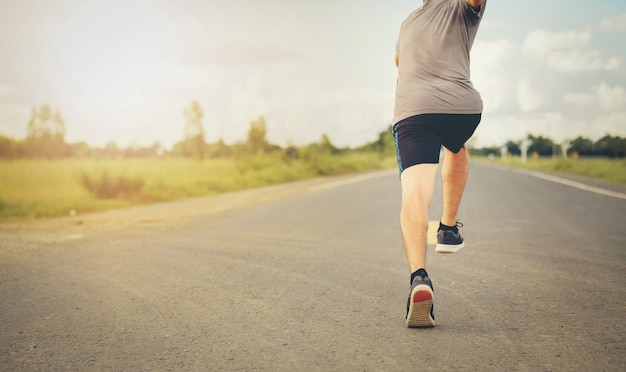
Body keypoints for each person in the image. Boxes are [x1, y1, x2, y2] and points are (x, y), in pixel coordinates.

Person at [392, 0, 486, 327]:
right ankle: (447, 229)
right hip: (462, 108)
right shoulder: (463, 7)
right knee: (456, 147)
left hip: (414, 110)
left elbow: (398, 60)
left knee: (415, 194)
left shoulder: (409, 22)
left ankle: (419, 277)